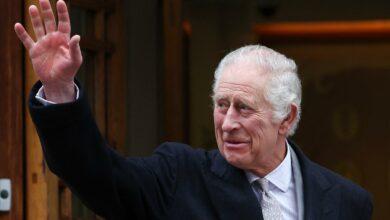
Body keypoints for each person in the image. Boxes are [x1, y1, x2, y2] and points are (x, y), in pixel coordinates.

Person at [15, 0, 373, 219]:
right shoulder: (178, 177)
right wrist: (59, 89)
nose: (228, 123)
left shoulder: (346, 201)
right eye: (221, 105)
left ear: (287, 118)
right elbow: (95, 174)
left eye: (244, 108)